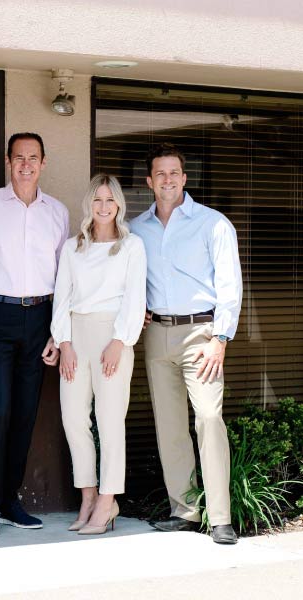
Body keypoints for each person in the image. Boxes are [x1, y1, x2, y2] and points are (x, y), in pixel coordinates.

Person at [130, 142, 242, 545]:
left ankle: (221, 518)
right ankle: (186, 510)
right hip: (157, 335)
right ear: (149, 180)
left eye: (174, 173)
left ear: (185, 178)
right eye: (160, 173)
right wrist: (134, 308)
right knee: (170, 427)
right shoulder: (137, 227)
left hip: (203, 335)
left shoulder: (213, 224)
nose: (167, 180)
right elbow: (128, 277)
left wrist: (221, 338)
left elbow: (231, 285)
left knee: (209, 419)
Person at [0, 133, 69, 537]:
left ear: (43, 162)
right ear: (8, 162)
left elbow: (66, 277)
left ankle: (12, 500)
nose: (26, 164)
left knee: (26, 413)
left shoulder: (58, 212)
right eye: (19, 158)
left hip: (40, 319)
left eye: (33, 158)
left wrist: (56, 332)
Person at [51, 174, 147, 535]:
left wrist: (120, 341)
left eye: (110, 200)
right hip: (76, 335)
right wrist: (64, 342)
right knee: (74, 419)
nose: (104, 207)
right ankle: (88, 497)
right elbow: (61, 296)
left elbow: (135, 298)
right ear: (88, 205)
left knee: (109, 421)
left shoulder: (131, 246)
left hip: (113, 336)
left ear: (119, 205)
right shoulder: (72, 247)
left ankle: (108, 501)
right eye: (97, 200)